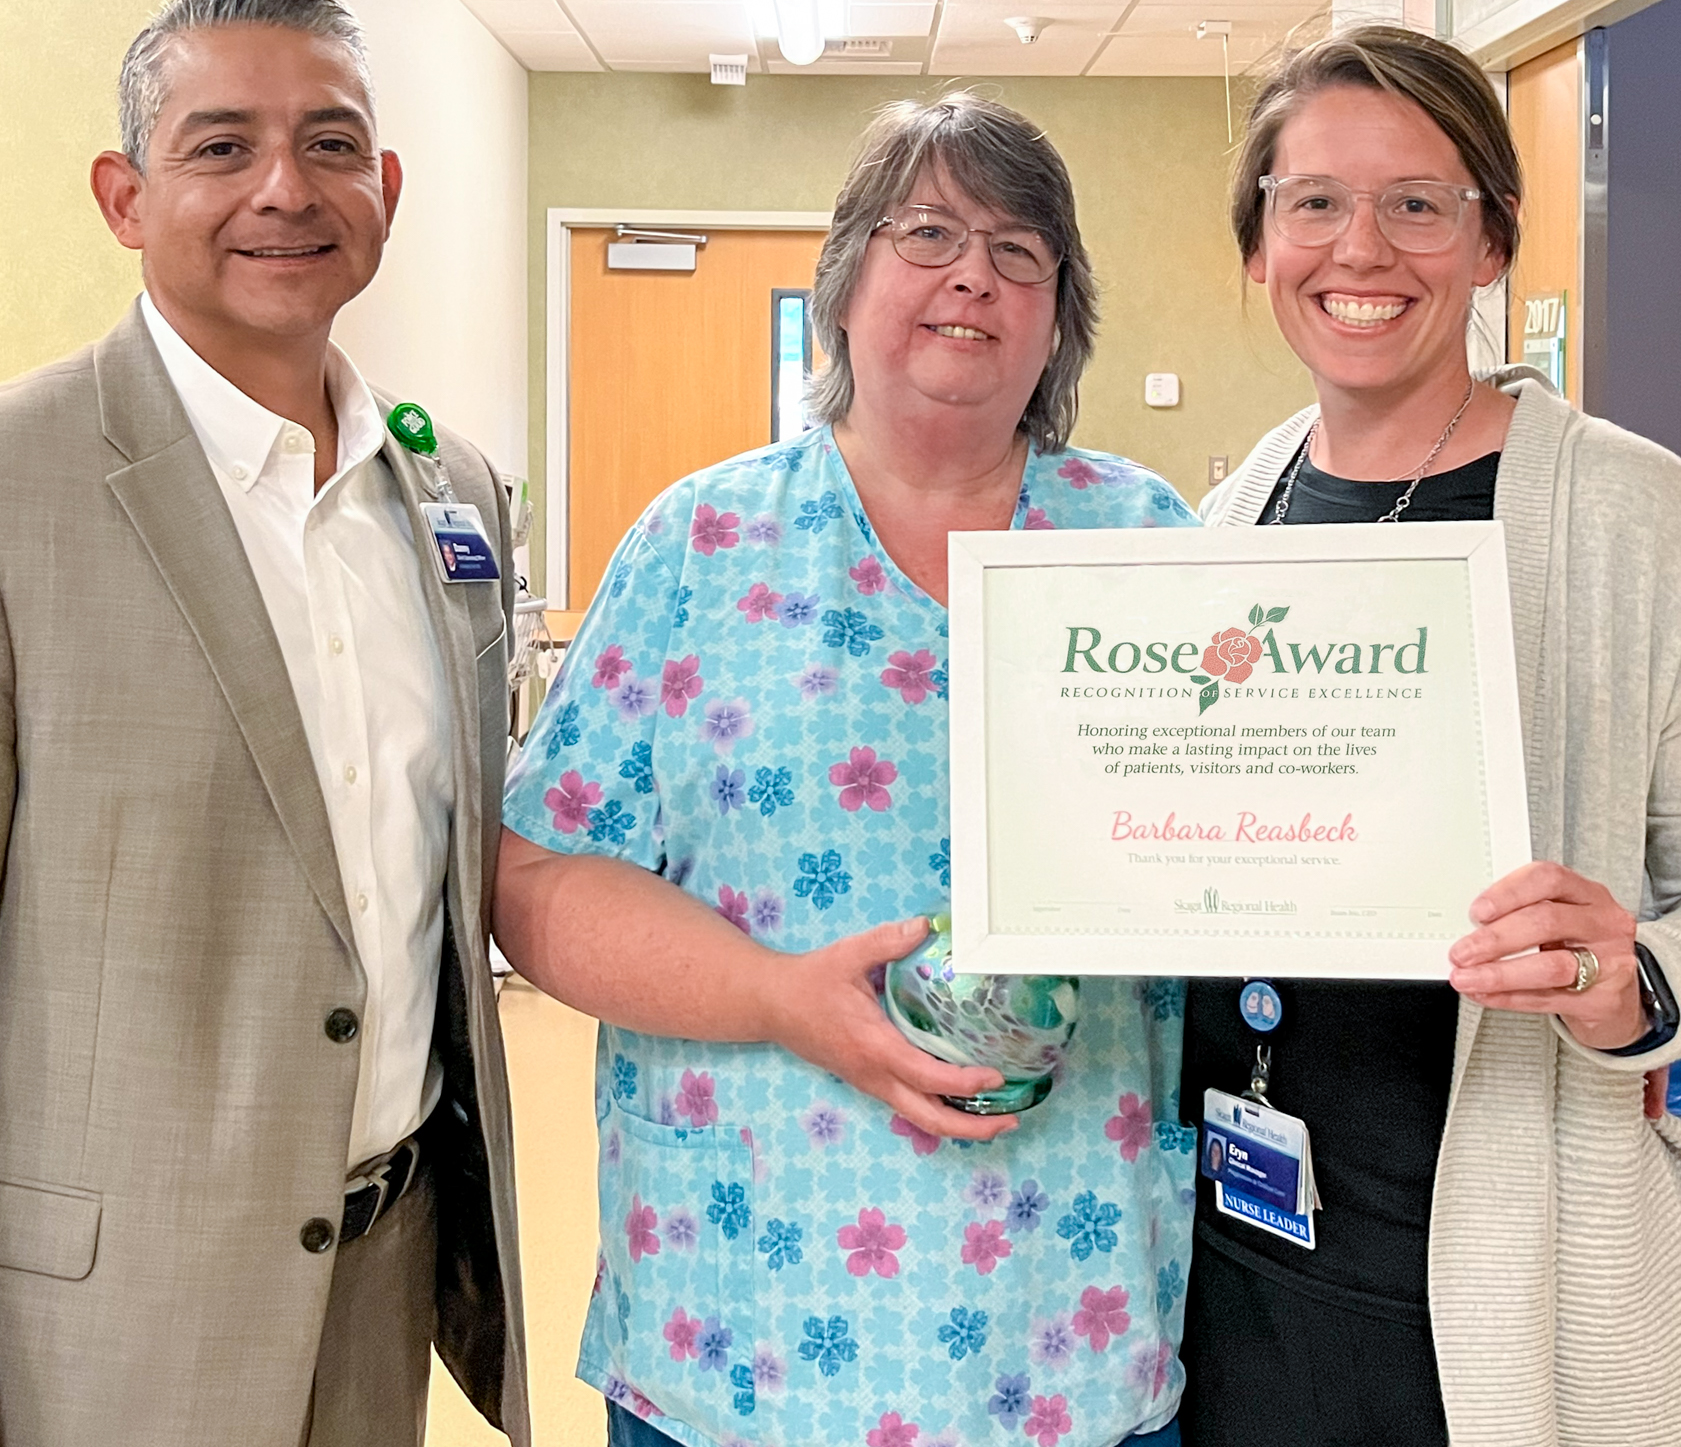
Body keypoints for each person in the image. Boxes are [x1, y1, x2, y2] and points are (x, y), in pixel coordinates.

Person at [0, 0, 529, 1447]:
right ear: (124, 196)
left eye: (331, 145)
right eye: (219, 147)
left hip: (379, 1287)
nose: (285, 188)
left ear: (385, 190)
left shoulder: (448, 488)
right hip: (90, 1337)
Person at [493, 94, 1200, 1447]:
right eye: (926, 232)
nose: (972, 276)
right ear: (844, 280)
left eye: (1020, 251)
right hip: (746, 1319)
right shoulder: (700, 542)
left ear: (1059, 315)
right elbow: (533, 879)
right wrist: (775, 998)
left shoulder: (1139, 535)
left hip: (1067, 1322)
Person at [1183, 24, 1681, 1447]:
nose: (1363, 249)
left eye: (1419, 203)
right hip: (1243, 1271)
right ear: (1258, 245)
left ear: (1492, 243)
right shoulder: (1229, 521)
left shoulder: (1632, 516)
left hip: (1513, 1283)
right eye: (1314, 203)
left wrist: (1633, 979)